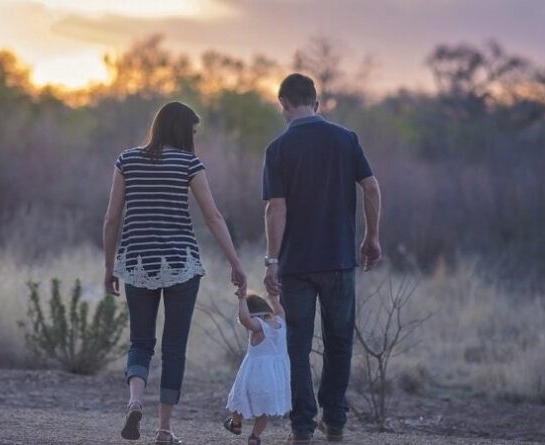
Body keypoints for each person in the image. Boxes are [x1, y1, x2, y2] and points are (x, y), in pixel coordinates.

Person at [103, 101, 247, 444]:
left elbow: (111, 219)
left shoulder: (127, 160)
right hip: (181, 263)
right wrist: (235, 262)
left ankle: (135, 401)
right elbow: (213, 217)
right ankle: (164, 429)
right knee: (174, 346)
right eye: (193, 131)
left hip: (137, 262)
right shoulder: (189, 163)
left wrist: (109, 267)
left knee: (140, 340)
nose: (194, 137)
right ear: (183, 130)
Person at [262, 73, 382, 443]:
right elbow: (371, 188)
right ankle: (335, 422)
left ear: (283, 105)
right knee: (339, 342)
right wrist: (371, 237)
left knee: (296, 345)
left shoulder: (278, 148)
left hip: (296, 264)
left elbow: (275, 209)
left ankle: (301, 429)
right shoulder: (346, 139)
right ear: (316, 102)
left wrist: (272, 260)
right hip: (339, 261)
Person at [224, 293, 291, 445]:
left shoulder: (259, 327)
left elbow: (245, 319)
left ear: (254, 315)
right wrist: (274, 298)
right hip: (274, 377)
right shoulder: (281, 321)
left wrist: (242, 299)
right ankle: (255, 436)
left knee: (239, 397)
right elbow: (280, 311)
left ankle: (236, 424)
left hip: (254, 374)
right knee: (264, 410)